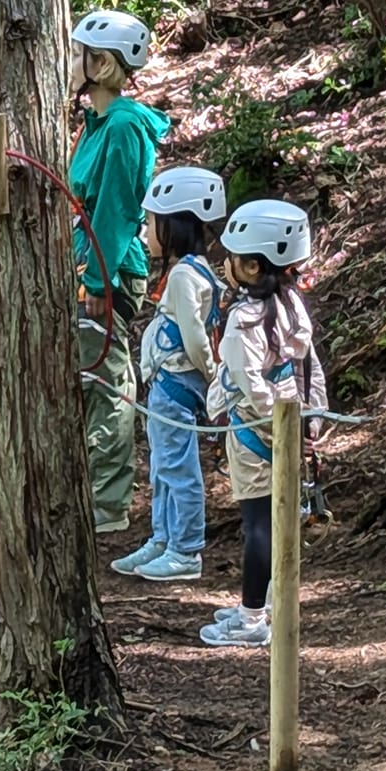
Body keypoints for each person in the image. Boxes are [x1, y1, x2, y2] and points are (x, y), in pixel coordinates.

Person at [202, 200, 328, 649]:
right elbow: (307, 365)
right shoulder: (291, 304)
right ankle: (273, 601)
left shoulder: (243, 320)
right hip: (288, 423)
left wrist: (271, 430)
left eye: (234, 257)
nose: (226, 263)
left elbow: (250, 385)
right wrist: (309, 421)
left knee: (258, 523)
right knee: (278, 520)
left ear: (253, 266)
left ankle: (253, 615)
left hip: (257, 433)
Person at [67, 9, 170, 535]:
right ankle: (90, 489)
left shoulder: (125, 126)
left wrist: (97, 282)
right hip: (89, 262)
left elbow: (115, 209)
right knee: (86, 379)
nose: (71, 62)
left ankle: (107, 502)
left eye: (79, 52)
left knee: (105, 381)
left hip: (108, 269)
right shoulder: (96, 124)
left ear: (102, 64)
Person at [112, 166, 229, 580]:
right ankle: (162, 539)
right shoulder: (194, 272)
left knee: (178, 468)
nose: (146, 232)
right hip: (167, 385)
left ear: (176, 225)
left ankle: (185, 549)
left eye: (152, 223)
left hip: (176, 385)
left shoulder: (183, 275)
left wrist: (211, 374)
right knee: (162, 466)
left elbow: (196, 338)